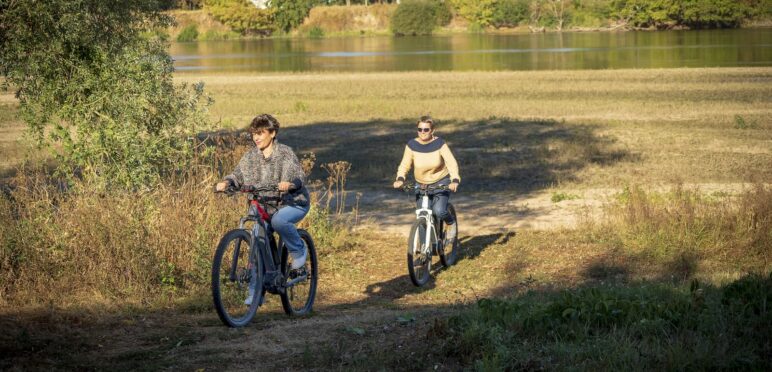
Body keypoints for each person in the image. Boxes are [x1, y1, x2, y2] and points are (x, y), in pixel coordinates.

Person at [215, 114, 310, 274]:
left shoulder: (285, 153)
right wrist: (226, 183)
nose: (256, 138)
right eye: (253, 134)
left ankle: (299, 251)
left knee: (279, 221)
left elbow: (298, 176)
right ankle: (256, 290)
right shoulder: (250, 157)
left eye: (260, 133)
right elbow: (237, 175)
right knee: (257, 236)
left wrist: (289, 184)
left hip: (292, 202)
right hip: (264, 204)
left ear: (272, 133)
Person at [393, 115, 460, 241]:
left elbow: (451, 163)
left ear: (432, 130)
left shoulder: (440, 143)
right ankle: (425, 252)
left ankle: (451, 223)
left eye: (426, 130)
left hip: (441, 181)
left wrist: (455, 180)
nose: (422, 133)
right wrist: (400, 178)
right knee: (422, 215)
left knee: (439, 210)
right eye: (420, 129)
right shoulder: (412, 145)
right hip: (421, 184)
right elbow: (405, 164)